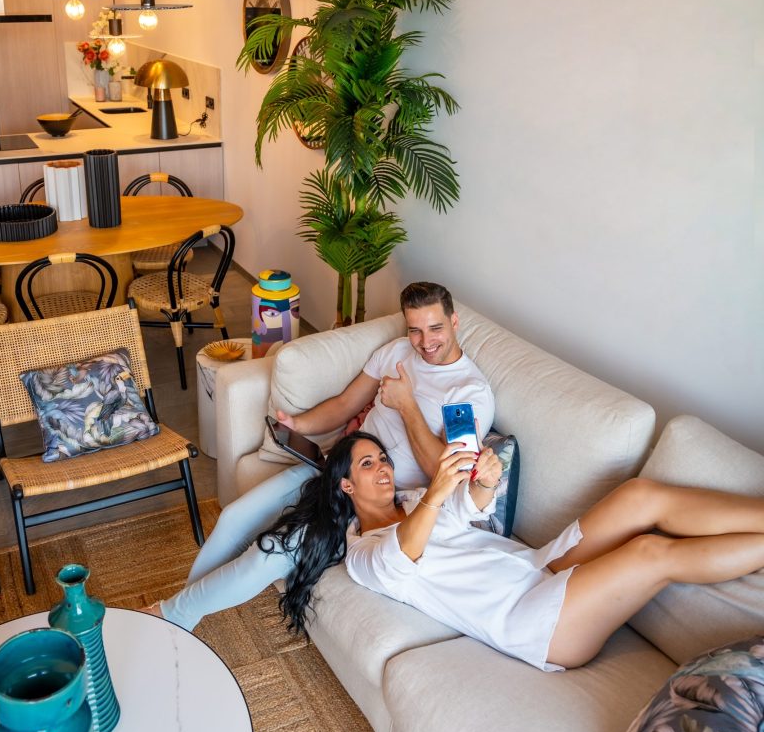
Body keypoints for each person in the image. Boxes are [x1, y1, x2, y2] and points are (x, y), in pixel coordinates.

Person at [257, 431, 764, 672]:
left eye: (383, 458)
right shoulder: (362, 554)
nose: (384, 467)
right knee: (650, 552)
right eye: (368, 464)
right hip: (535, 622)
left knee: (639, 495)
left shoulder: (411, 500)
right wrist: (436, 493)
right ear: (346, 485)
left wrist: (484, 480)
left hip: (539, 566)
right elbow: (401, 556)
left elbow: (464, 508)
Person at [150, 281, 494, 629]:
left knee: (271, 552)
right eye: (415, 330)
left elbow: (446, 475)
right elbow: (345, 404)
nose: (424, 341)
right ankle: (179, 616)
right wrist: (297, 424)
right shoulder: (397, 352)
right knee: (233, 519)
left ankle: (168, 617)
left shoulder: (468, 392)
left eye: (435, 328)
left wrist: (407, 405)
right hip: (334, 467)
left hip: (370, 501)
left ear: (454, 322)